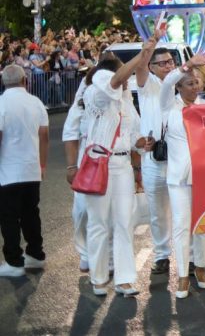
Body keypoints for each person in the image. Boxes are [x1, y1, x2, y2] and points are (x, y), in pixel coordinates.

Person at [81, 44, 152, 297]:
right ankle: (98, 277)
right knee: (99, 223)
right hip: (99, 163)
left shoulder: (126, 100)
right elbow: (116, 79)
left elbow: (135, 136)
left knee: (124, 223)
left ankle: (125, 279)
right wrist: (141, 54)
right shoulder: (95, 93)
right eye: (124, 73)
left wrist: (143, 144)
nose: (127, 79)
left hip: (122, 166)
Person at [160, 54, 205, 299]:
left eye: (196, 82)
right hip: (178, 177)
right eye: (189, 82)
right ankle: (182, 276)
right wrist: (187, 66)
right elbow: (165, 83)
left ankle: (200, 268)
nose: (194, 86)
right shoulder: (168, 106)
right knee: (182, 226)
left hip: (204, 176)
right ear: (179, 86)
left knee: (202, 223)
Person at [0, 65, 49, 278]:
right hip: (32, 168)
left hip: (8, 170)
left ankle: (14, 261)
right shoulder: (36, 102)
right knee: (31, 213)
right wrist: (42, 164)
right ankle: (36, 255)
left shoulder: (1, 103)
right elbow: (44, 135)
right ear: (24, 80)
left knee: (9, 217)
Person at [133, 47, 178, 277]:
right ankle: (162, 255)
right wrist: (149, 47)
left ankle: (190, 256)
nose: (169, 66)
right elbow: (140, 66)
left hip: (179, 158)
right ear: (152, 67)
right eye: (162, 63)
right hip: (153, 157)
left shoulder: (182, 83)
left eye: (171, 61)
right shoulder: (147, 84)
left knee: (183, 209)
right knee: (158, 212)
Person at [62, 78, 90, 273]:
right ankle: (85, 253)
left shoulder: (118, 102)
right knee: (81, 211)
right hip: (85, 166)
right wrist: (72, 167)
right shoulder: (78, 109)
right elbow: (71, 136)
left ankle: (110, 257)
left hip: (114, 166)